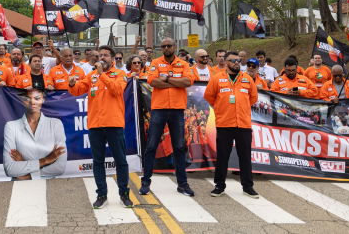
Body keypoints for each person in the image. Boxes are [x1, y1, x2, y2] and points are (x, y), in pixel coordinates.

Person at [69, 45, 132, 209]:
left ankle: (124, 194)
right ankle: (101, 195)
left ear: (112, 58)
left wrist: (102, 74)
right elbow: (78, 90)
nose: (101, 58)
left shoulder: (120, 74)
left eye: (105, 55)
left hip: (114, 123)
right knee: (98, 161)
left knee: (120, 160)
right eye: (100, 55)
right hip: (95, 124)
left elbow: (117, 90)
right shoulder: (91, 75)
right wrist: (72, 84)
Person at [140, 38, 195, 197]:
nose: (166, 48)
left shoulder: (183, 64)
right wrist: (177, 82)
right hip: (159, 109)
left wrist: (166, 79)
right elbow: (152, 81)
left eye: (169, 46)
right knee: (151, 146)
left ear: (174, 47)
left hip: (177, 110)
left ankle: (182, 184)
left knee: (178, 147)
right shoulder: (156, 62)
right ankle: (145, 182)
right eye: (163, 46)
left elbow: (188, 81)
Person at [204, 50, 258, 198]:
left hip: (243, 124)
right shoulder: (217, 78)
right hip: (224, 124)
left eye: (238, 60)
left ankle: (248, 187)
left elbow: (253, 98)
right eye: (233, 60)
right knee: (222, 157)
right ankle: (219, 186)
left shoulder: (247, 79)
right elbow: (209, 96)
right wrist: (222, 108)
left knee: (245, 157)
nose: (236, 63)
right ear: (226, 62)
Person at [3, 88, 67, 180]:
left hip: (48, 185)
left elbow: (60, 167)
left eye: (37, 98)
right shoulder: (11, 126)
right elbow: (10, 169)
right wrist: (45, 160)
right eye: (27, 98)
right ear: (22, 100)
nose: (32, 102)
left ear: (43, 99)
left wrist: (27, 174)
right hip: (20, 186)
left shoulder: (55, 124)